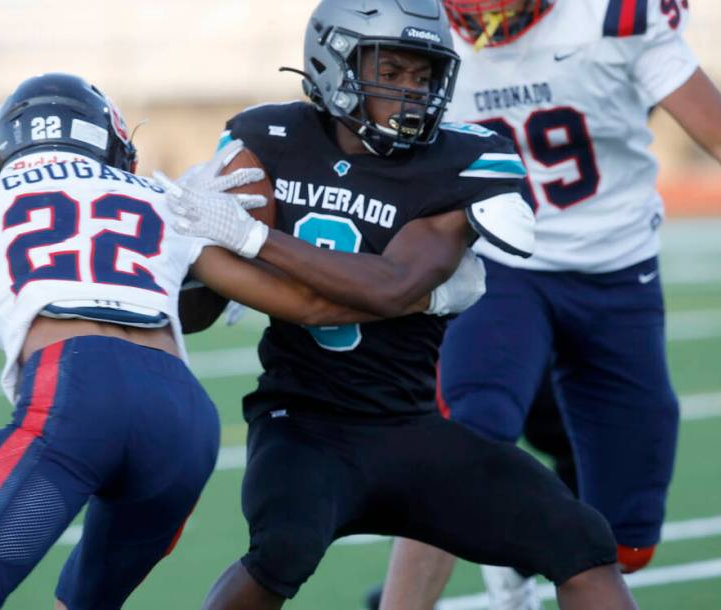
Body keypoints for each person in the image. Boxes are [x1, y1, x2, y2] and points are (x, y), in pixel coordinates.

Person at [0, 72, 483, 610]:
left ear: (2, 153)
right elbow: (305, 305)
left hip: (76, 391)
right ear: (114, 143)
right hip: (183, 422)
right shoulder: (159, 200)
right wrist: (425, 298)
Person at [160, 1, 639, 609]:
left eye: (423, 76)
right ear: (334, 60)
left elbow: (390, 285)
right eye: (392, 70)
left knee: (583, 541)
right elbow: (196, 311)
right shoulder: (267, 136)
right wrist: (193, 255)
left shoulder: (463, 158)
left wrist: (253, 243)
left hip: (407, 426)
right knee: (282, 548)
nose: (410, 92)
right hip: (303, 425)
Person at [369, 1, 721, 609]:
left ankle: (520, 542)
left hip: (617, 275)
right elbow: (357, 160)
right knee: (464, 439)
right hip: (504, 267)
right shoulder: (427, 35)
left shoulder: (612, 19)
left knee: (625, 542)